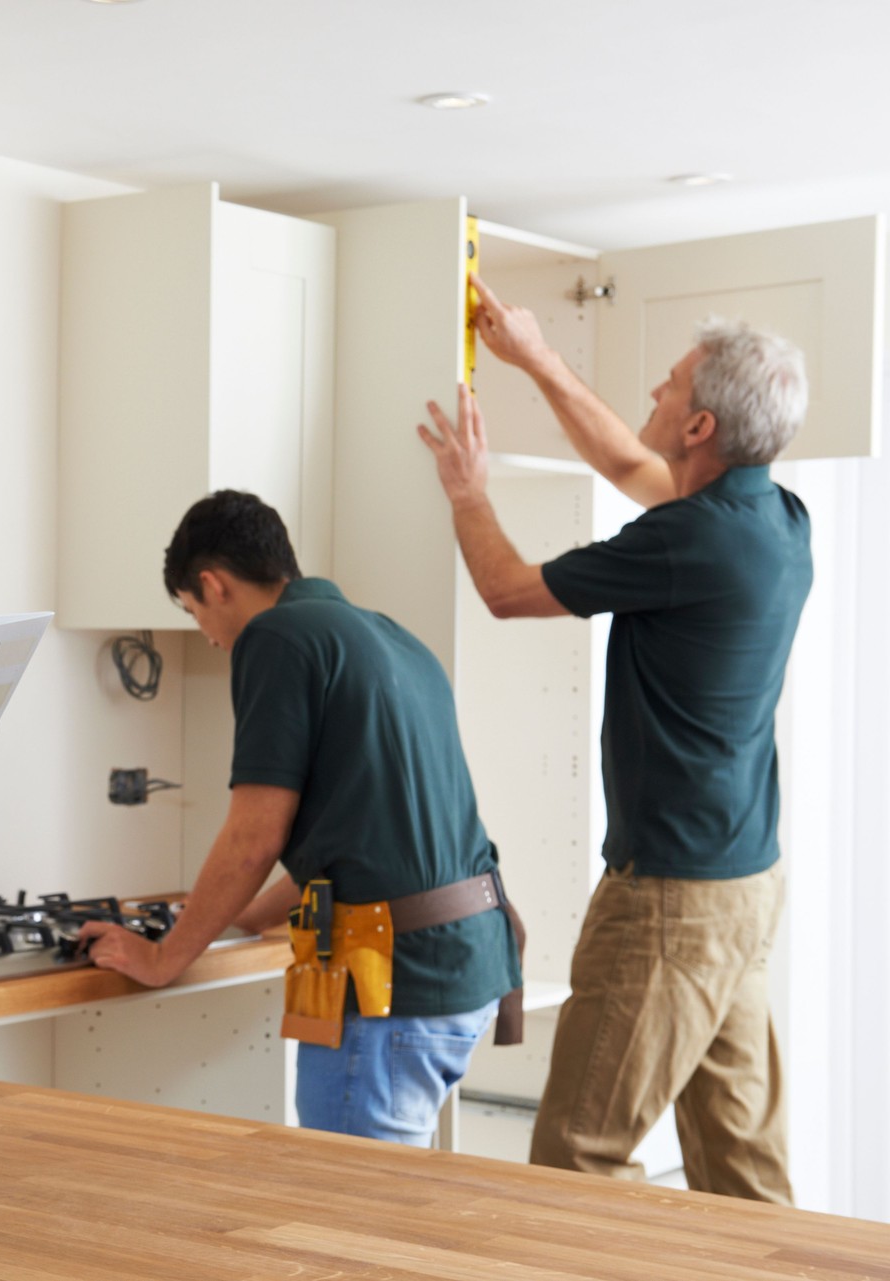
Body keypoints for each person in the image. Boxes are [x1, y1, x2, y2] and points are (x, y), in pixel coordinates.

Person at [417, 275, 809, 1203]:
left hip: (672, 899)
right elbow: (636, 467)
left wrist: (468, 490)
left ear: (704, 427)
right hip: (741, 888)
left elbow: (509, 591)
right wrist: (538, 360)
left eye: (670, 387)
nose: (655, 400)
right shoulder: (775, 521)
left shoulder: (690, 543)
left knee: (580, 1161)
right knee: (741, 1164)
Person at [78, 490, 523, 1147]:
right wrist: (245, 916)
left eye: (193, 610)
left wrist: (162, 956)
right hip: (471, 964)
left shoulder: (275, 638)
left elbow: (254, 836)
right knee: (383, 1214)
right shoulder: (390, 636)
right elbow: (364, 837)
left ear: (212, 584)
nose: (206, 632)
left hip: (390, 986)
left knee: (346, 1226)